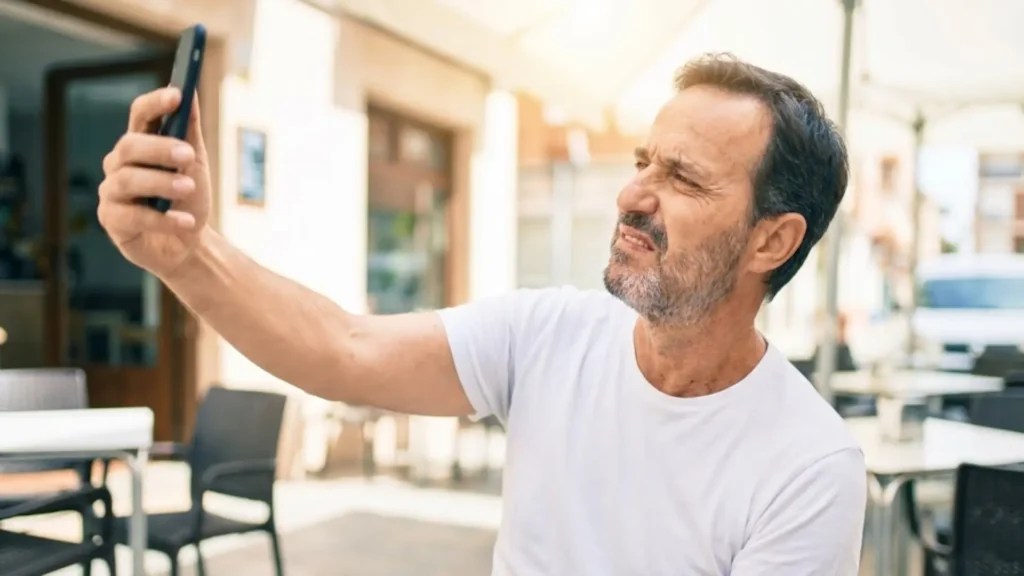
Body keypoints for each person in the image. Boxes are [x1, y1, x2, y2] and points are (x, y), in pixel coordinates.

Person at [97, 53, 866, 575]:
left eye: (684, 179)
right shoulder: (550, 336)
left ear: (773, 238)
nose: (634, 195)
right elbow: (343, 349)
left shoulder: (807, 466)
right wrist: (183, 254)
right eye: (642, 163)